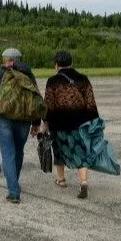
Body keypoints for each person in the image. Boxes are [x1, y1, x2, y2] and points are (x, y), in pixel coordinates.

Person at [0, 48, 41, 203]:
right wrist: (36, 123)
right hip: (24, 120)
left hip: (4, 119)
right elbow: (35, 100)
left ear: (8, 60)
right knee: (18, 151)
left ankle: (13, 191)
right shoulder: (29, 74)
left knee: (8, 153)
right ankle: (14, 182)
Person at [42, 51, 100, 199]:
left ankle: (61, 180)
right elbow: (91, 103)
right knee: (80, 151)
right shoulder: (83, 79)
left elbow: (47, 105)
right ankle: (83, 181)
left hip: (58, 123)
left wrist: (45, 123)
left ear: (56, 65)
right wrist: (94, 121)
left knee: (59, 151)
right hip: (79, 123)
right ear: (71, 63)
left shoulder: (52, 81)